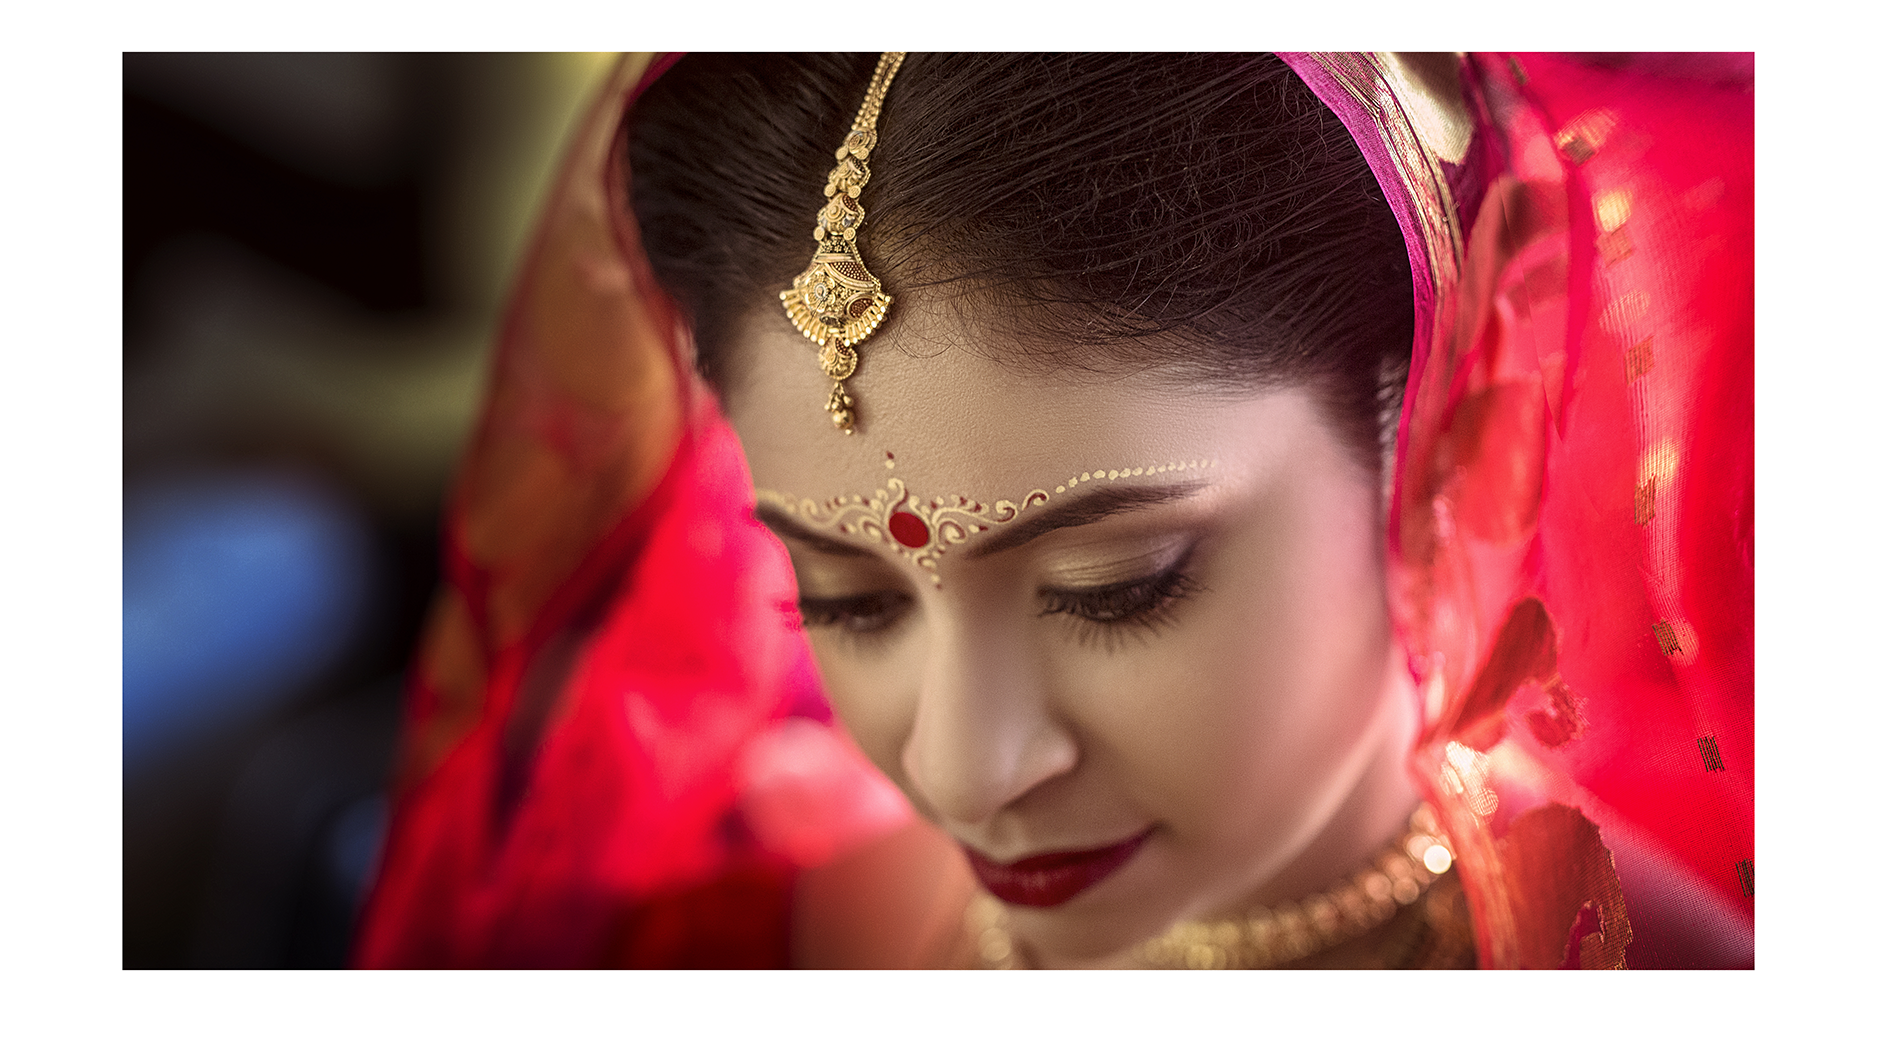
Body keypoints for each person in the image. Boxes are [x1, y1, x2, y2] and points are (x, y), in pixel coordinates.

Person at [353, 53, 1753, 969]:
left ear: (1446, 430)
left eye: (1118, 582)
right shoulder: (764, 929)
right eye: (842, 598)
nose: (967, 771)